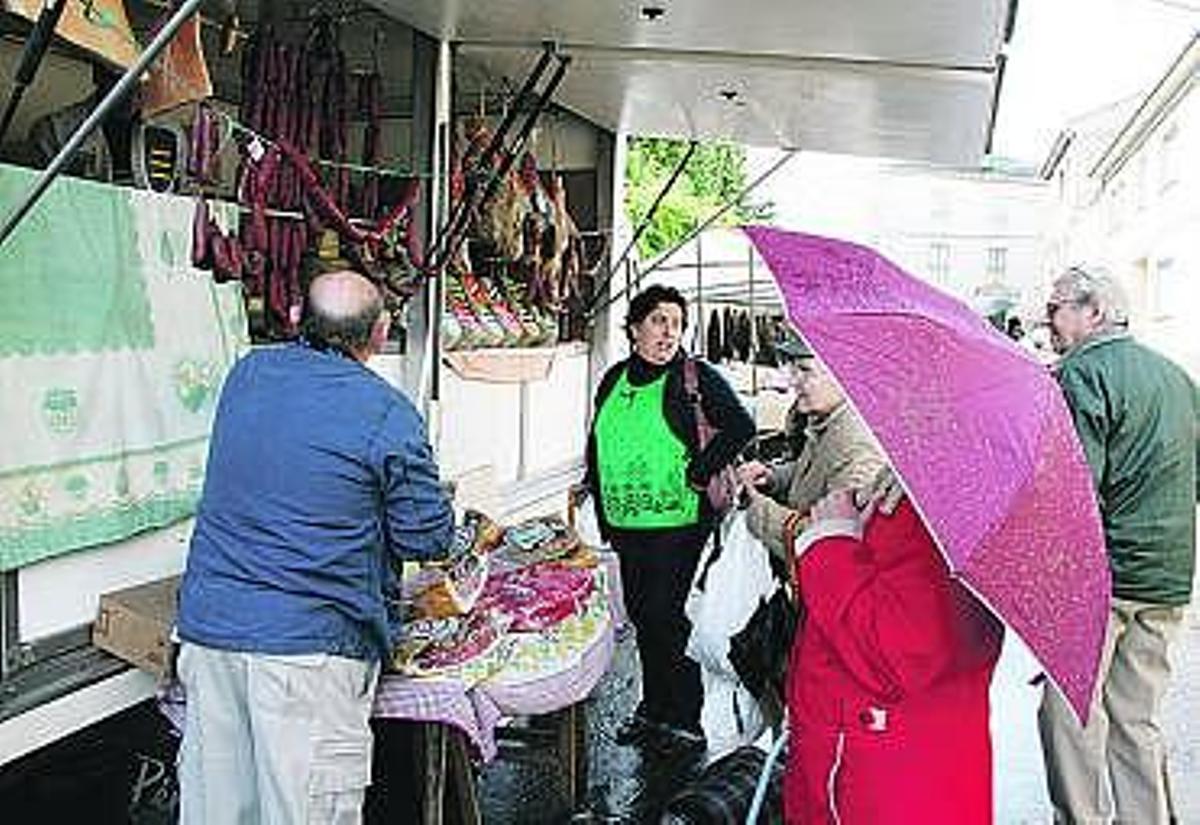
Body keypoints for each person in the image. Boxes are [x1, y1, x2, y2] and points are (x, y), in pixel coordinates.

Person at [175, 269, 455, 824]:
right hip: (310, 653)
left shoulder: (247, 374)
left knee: (217, 811)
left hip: (212, 637)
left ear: (297, 318)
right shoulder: (389, 412)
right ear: (380, 335)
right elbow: (427, 537)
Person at [1038, 264, 1198, 825]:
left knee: (1069, 712)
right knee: (1136, 714)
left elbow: (1073, 494)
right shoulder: (1176, 376)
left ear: (1094, 311)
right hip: (1167, 576)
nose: (1047, 318)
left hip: (1102, 577)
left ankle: (1084, 819)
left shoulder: (1081, 375)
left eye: (1056, 306)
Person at [583, 284, 755, 749]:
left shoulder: (693, 377)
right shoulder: (614, 379)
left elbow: (741, 426)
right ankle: (654, 708)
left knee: (669, 615)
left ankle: (684, 718)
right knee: (643, 614)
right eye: (659, 320)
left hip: (678, 524)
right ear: (635, 327)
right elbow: (599, 441)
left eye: (677, 323)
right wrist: (594, 492)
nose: (669, 332)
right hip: (625, 524)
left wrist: (699, 473)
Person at [783, 472, 1004, 823]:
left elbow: (896, 651)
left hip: (879, 779)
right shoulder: (958, 494)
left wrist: (832, 540)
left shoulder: (939, 505)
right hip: (923, 765)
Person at [737, 332, 886, 562]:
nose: (793, 381)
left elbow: (833, 541)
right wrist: (773, 477)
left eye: (805, 370)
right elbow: (814, 471)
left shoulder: (858, 446)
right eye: (794, 369)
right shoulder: (827, 422)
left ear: (842, 375)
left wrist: (759, 511)